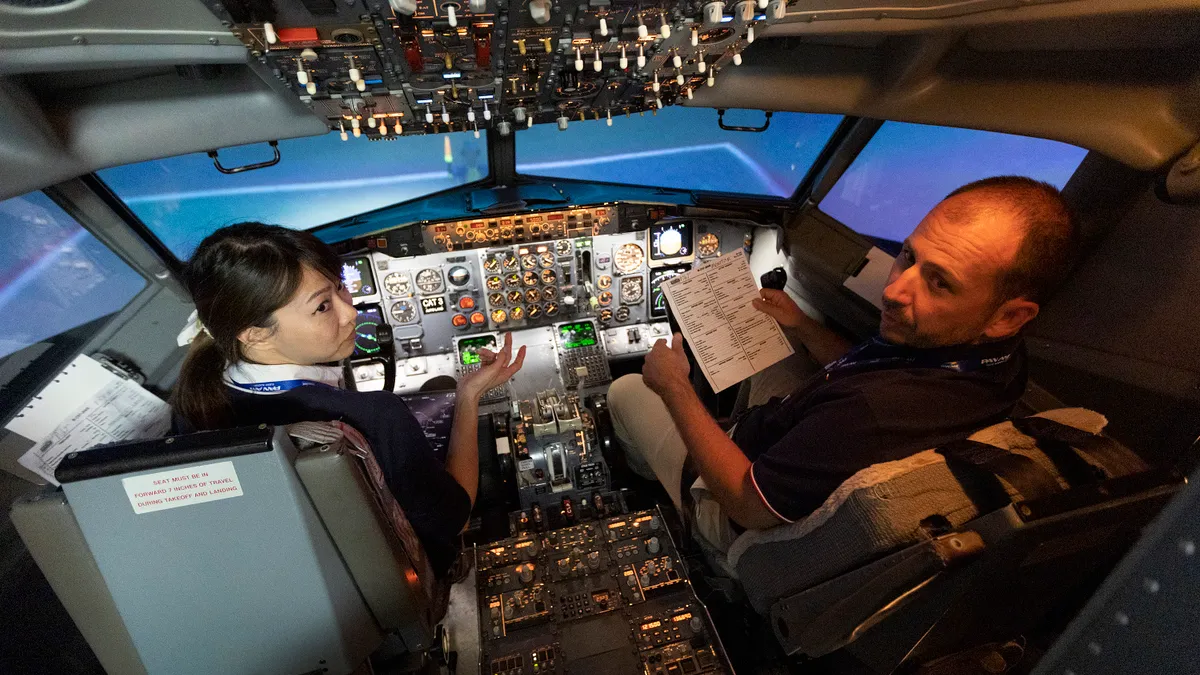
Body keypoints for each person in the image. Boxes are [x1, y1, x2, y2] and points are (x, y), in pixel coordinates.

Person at [609, 176, 1078, 552]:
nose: (895, 290)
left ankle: (663, 488)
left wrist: (675, 388)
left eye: (940, 283)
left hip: (740, 511)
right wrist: (801, 325)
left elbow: (749, 507)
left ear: (1010, 315)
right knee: (765, 341)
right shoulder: (995, 359)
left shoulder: (873, 415)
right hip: (801, 436)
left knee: (628, 391)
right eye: (909, 257)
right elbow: (872, 367)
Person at [173, 222, 525, 576]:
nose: (351, 311)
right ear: (255, 335)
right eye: (323, 306)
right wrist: (468, 395)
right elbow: (455, 520)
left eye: (340, 287)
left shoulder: (195, 402)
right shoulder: (375, 416)